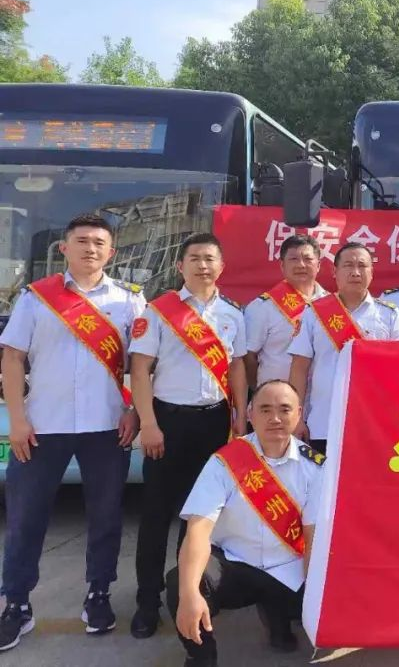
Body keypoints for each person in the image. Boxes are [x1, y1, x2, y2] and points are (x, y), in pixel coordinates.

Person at [0, 214, 146, 651]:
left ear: (111, 252)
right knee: (25, 518)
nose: (90, 248)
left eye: (99, 242)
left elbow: (143, 364)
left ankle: (98, 594)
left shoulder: (130, 301)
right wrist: (17, 420)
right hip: (43, 427)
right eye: (81, 241)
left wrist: (135, 412)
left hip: (107, 426)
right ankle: (16, 604)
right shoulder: (35, 299)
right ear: (63, 248)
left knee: (105, 517)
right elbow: (12, 359)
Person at [129, 233, 248, 639]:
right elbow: (140, 369)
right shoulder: (159, 312)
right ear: (180, 266)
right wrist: (148, 423)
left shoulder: (233, 314)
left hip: (214, 422)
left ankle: (186, 594)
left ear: (221, 267)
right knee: (156, 516)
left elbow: (236, 367)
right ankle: (147, 601)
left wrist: (240, 415)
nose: (202, 265)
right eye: (194, 258)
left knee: (200, 516)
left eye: (210, 258)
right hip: (168, 421)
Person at [166, 380, 325, 667]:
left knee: (327, 598)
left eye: (284, 409)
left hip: (289, 570)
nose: (275, 418)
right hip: (237, 567)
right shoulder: (224, 462)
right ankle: (202, 657)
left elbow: (313, 537)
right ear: (250, 414)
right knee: (183, 581)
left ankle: (278, 617)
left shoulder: (314, 467)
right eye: (265, 410)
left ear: (299, 414)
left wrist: (315, 601)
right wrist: (189, 595)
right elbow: (198, 530)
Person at [289, 243, 399, 453]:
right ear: (335, 272)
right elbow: (299, 367)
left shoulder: (388, 314)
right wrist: (296, 418)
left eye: (362, 266)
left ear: (372, 272)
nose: (355, 272)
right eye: (348, 265)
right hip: (323, 423)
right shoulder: (315, 313)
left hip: (373, 423)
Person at [243, 235, 327, 387]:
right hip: (276, 396)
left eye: (308, 259)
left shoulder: (331, 304)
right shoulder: (262, 307)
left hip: (319, 396)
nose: (301, 265)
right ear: (282, 265)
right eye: (294, 259)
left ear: (318, 265)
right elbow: (249, 356)